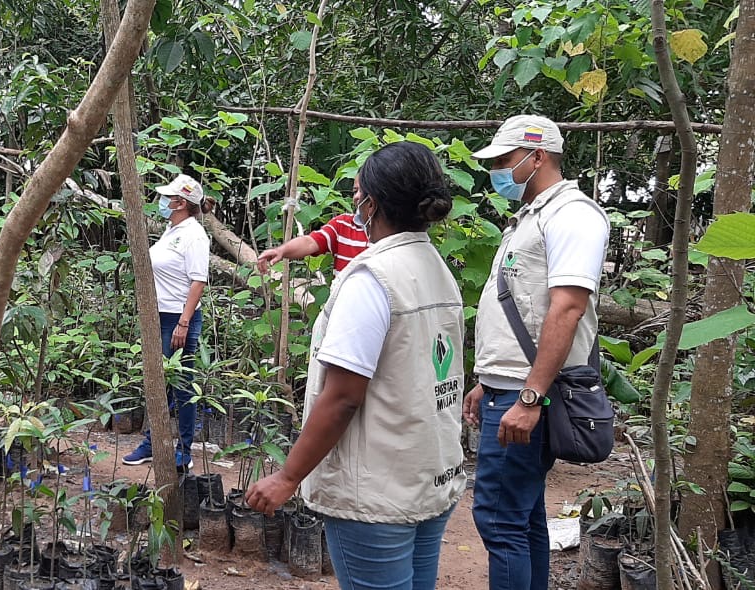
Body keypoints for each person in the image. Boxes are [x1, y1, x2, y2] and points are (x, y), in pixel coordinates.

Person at [246, 142, 465, 590]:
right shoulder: (435, 267)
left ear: (372, 203)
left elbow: (344, 397)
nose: (354, 202)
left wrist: (288, 477)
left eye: (357, 192)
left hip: (377, 497)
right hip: (428, 478)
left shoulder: (371, 278)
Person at [462, 115, 610, 590]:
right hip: (511, 386)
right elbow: (524, 309)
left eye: (505, 161)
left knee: (498, 517)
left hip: (529, 395)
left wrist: (529, 397)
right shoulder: (533, 216)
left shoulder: (573, 215)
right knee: (521, 516)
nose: (498, 172)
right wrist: (490, 378)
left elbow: (566, 308)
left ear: (538, 156)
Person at [122, 173, 215, 471]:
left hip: (178, 319)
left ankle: (183, 451)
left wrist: (184, 323)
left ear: (180, 203)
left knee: (182, 385)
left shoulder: (194, 235)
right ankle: (153, 442)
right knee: (160, 384)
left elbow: (199, 281)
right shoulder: (171, 230)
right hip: (159, 317)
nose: (162, 201)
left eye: (168, 198)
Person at [256, 192, 368, 274]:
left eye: (363, 190)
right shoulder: (342, 224)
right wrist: (280, 251)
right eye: (355, 190)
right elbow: (310, 242)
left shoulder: (384, 237)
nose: (357, 196)